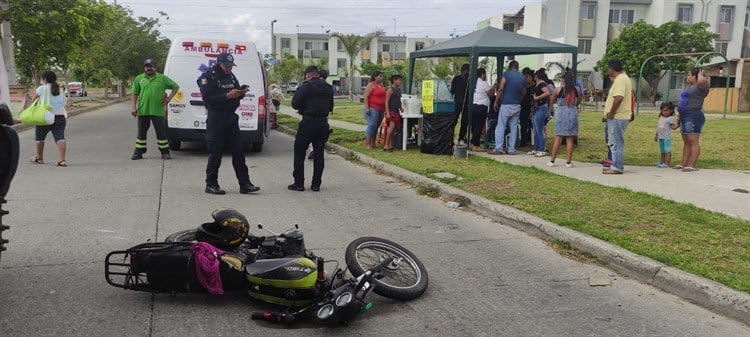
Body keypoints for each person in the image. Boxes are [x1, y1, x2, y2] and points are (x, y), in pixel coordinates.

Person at [197, 52, 260, 195]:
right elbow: (208, 100)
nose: (229, 69)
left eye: (231, 66)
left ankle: (245, 184)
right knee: (216, 153)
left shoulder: (231, 76)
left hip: (231, 117)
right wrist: (227, 96)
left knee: (238, 152)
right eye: (226, 66)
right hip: (216, 118)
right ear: (219, 63)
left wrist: (241, 92)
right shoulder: (207, 77)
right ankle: (211, 184)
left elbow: (235, 93)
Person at [288, 65, 334, 192]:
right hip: (323, 123)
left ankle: (299, 183)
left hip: (308, 123)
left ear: (308, 75)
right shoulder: (328, 88)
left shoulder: (306, 86)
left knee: (299, 153)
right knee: (319, 154)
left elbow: (295, 104)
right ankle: (316, 184)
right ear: (318, 74)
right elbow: (330, 106)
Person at [130, 58, 179, 160]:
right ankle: (138, 152)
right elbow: (134, 93)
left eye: (151, 66)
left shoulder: (162, 78)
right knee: (141, 133)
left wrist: (169, 98)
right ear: (144, 68)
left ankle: (165, 152)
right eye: (147, 66)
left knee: (161, 133)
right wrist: (133, 107)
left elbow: (175, 86)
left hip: (158, 111)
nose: (149, 68)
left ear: (155, 67)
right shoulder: (139, 79)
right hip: (143, 111)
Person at [28, 71, 68, 167]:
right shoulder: (60, 89)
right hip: (60, 116)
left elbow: (33, 101)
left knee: (39, 138)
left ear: (45, 79)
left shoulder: (41, 88)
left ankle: (40, 158)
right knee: (60, 137)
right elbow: (64, 102)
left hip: (44, 117)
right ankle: (62, 160)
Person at [602, 59, 633, 175]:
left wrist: (611, 113)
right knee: (614, 141)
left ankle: (617, 167)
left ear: (612, 69)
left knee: (616, 142)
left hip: (617, 117)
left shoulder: (620, 79)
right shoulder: (624, 78)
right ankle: (614, 164)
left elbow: (619, 97)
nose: (607, 71)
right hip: (618, 116)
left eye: (608, 68)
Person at [674, 67, 708, 172]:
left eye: (689, 75)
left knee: (693, 141)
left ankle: (692, 164)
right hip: (684, 115)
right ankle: (684, 163)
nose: (687, 77)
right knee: (686, 141)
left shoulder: (701, 86)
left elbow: (702, 80)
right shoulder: (691, 86)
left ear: (695, 76)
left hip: (693, 116)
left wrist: (700, 73)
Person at [489, 60, 526, 155]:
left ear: (510, 67)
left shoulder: (506, 74)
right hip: (517, 105)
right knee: (513, 127)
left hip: (506, 104)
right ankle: (511, 149)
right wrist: (519, 100)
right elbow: (524, 92)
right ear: (517, 67)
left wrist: (496, 101)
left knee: (501, 126)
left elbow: (501, 88)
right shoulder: (522, 77)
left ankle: (499, 148)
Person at [547, 71, 581, 168]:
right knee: (570, 138)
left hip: (562, 113)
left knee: (558, 138)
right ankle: (568, 162)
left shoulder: (558, 89)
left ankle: (552, 161)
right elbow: (578, 100)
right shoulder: (577, 89)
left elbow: (552, 100)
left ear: (563, 79)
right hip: (572, 112)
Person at [468, 68, 493, 152]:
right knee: (479, 126)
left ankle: (472, 142)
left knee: (474, 126)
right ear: (483, 75)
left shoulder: (473, 82)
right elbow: (490, 94)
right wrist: (493, 87)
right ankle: (476, 144)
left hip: (473, 106)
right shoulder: (484, 83)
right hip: (481, 107)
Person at [529, 69, 552, 157]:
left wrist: (537, 98)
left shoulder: (542, 84)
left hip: (541, 108)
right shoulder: (537, 84)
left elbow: (547, 93)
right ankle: (536, 148)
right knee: (535, 129)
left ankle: (541, 149)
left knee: (539, 129)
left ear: (537, 76)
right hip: (535, 108)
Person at [362, 71, 386, 150]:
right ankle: (367, 144)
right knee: (372, 125)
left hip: (381, 109)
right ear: (375, 77)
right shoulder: (371, 85)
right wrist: (367, 107)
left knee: (376, 126)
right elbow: (366, 96)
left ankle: (373, 143)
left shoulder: (381, 85)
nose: (382, 77)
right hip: (373, 108)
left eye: (382, 76)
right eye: (380, 76)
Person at [655, 101, 679, 168]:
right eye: (663, 110)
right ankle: (662, 162)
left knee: (667, 151)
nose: (665, 112)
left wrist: (678, 125)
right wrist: (656, 135)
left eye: (667, 110)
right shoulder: (661, 117)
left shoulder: (670, 118)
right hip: (661, 137)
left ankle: (667, 163)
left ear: (671, 110)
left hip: (666, 137)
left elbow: (673, 127)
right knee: (662, 151)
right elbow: (659, 127)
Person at [450, 63, 470, 144]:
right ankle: (451, 137)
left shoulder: (469, 79)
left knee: (464, 121)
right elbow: (452, 90)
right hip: (458, 102)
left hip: (465, 103)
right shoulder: (456, 79)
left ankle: (461, 137)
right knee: (454, 120)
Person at [383, 74, 403, 152]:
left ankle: (391, 145)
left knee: (394, 128)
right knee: (391, 126)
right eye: (399, 80)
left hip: (396, 110)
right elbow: (386, 102)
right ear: (394, 81)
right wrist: (387, 113)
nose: (400, 82)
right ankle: (386, 145)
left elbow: (399, 100)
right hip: (391, 111)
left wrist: (401, 107)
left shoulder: (398, 90)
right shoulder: (390, 90)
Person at [519, 67, 535, 147]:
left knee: (532, 125)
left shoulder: (535, 87)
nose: (525, 79)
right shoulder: (522, 86)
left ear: (531, 77)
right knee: (523, 124)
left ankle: (531, 139)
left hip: (532, 108)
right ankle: (523, 141)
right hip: (523, 108)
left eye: (527, 77)